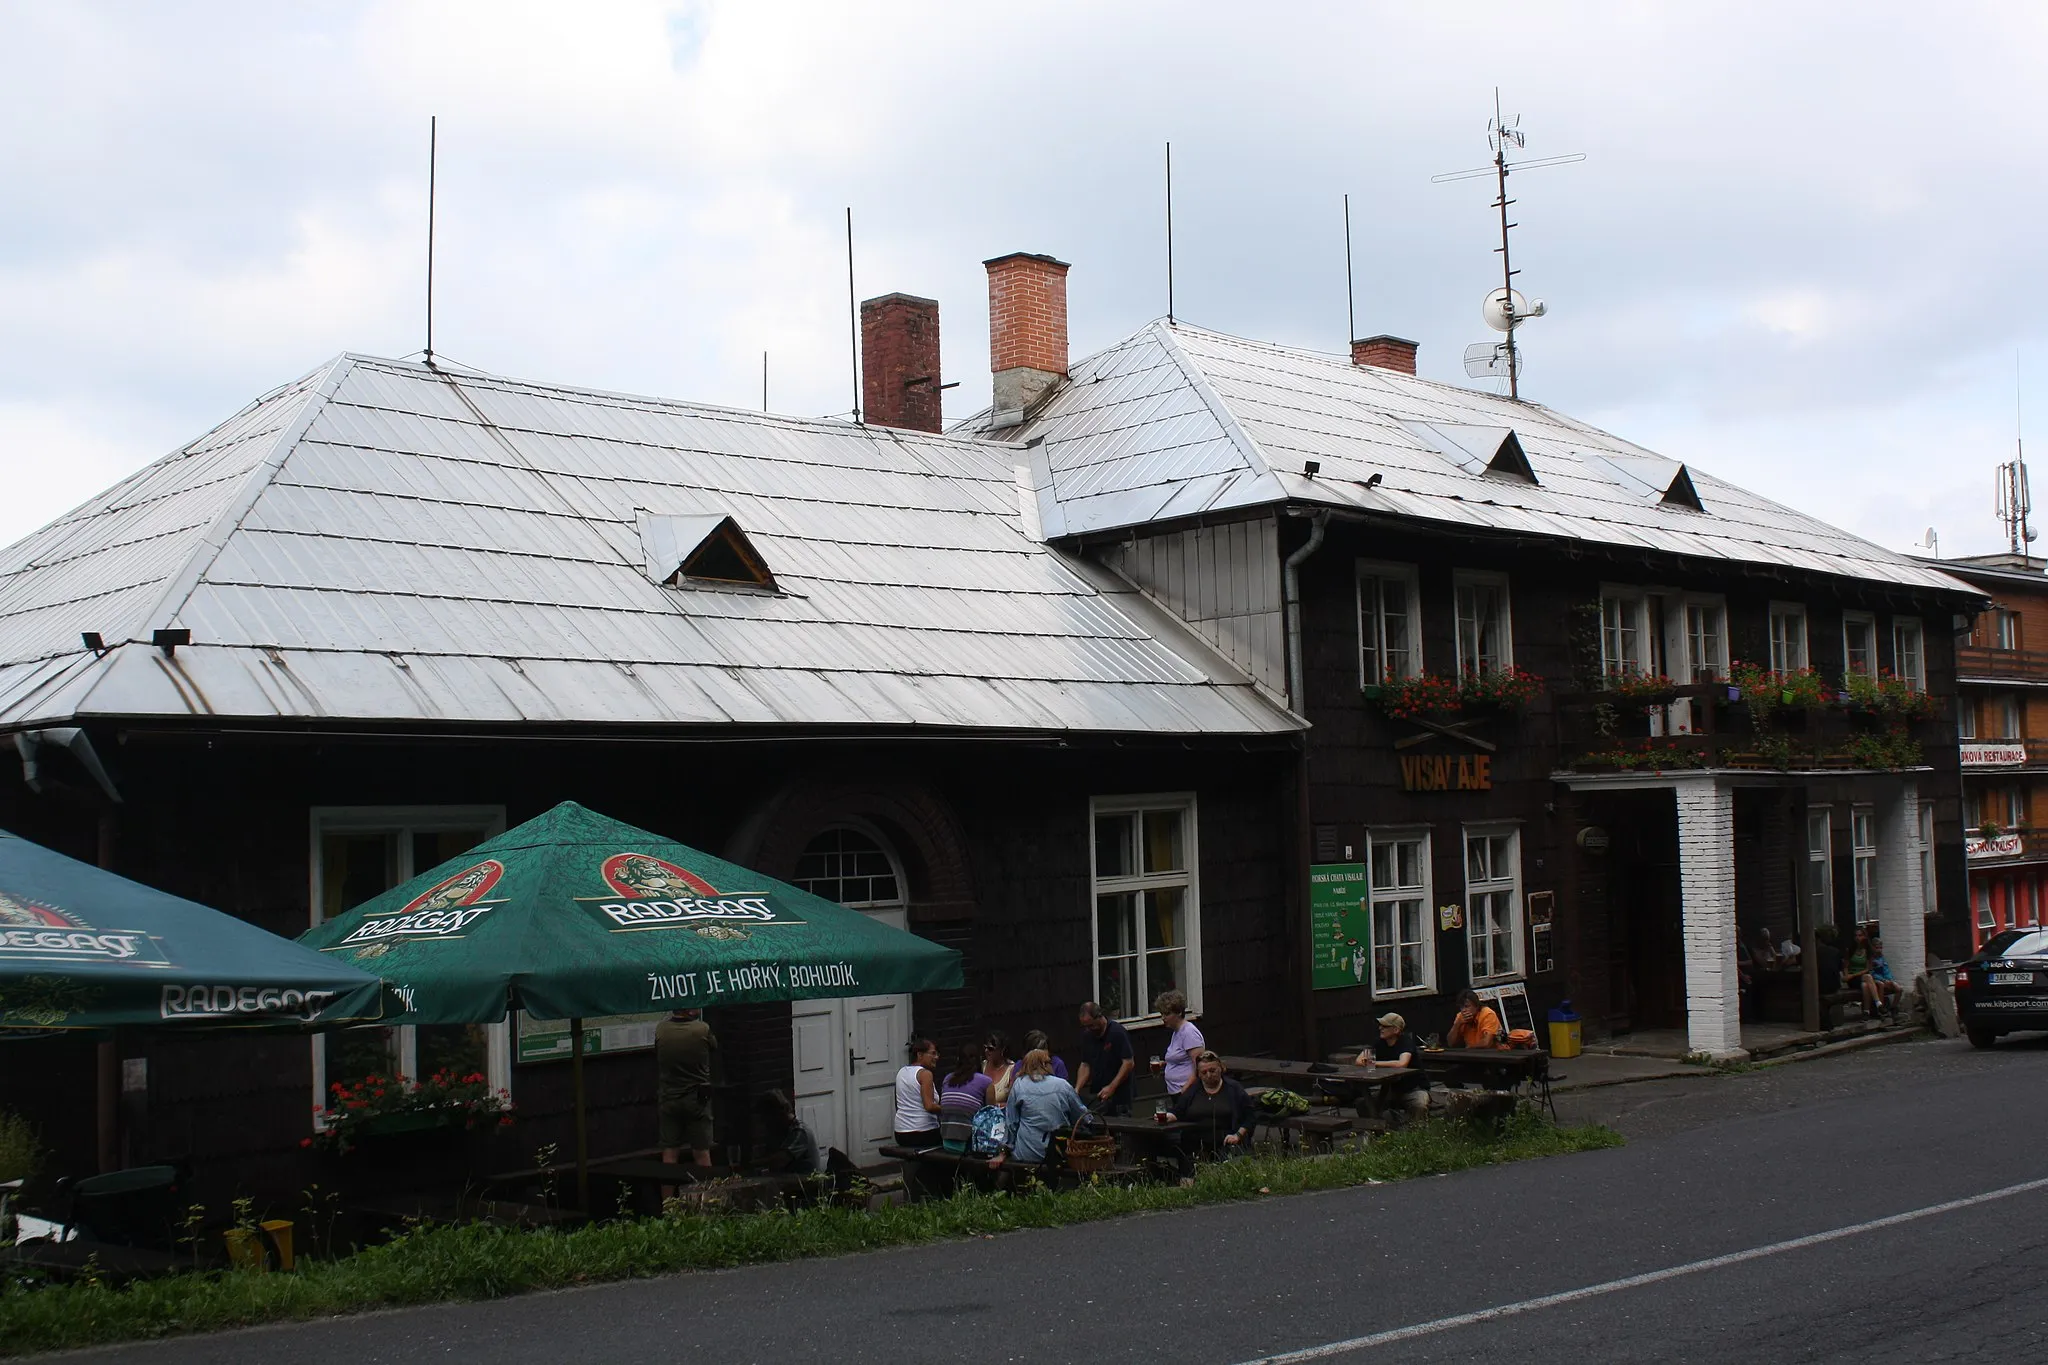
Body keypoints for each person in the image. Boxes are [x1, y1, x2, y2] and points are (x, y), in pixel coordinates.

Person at [987, 1049, 1086, 1179]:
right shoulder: (1063, 1085)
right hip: (1058, 1154)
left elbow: (1011, 1123)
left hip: (1026, 1153)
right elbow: (1081, 1115)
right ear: (1045, 1065)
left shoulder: (1019, 1085)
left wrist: (1003, 1152)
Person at [1164, 1050, 1255, 1181]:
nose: (1208, 1075)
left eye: (1212, 1071)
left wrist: (1238, 1134)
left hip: (1225, 1141)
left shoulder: (1233, 1089)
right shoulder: (1194, 1089)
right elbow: (1178, 1110)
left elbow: (1250, 1116)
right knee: (1176, 1146)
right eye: (1204, 1072)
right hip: (1196, 1142)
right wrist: (1170, 1116)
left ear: (1221, 1069)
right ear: (1198, 1074)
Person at [656, 1007, 718, 1193]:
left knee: (669, 1154)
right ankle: (708, 1204)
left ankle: (668, 1207)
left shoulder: (661, 1029)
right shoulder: (702, 1030)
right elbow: (714, 1047)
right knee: (701, 1154)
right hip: (696, 1101)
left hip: (669, 1099)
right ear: (688, 1010)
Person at [1356, 1012, 1430, 1125]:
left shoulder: (1405, 1042)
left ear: (1396, 1030)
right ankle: (1382, 1132)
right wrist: (1372, 1063)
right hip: (1390, 1090)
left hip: (1414, 1089)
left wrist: (1374, 1063)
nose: (1380, 1028)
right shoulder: (1379, 1042)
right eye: (1380, 1025)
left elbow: (1402, 1064)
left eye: (1385, 1026)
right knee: (1363, 1104)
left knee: (1419, 1105)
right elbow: (1359, 1060)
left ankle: (1416, 1136)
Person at [1075, 1000, 1135, 1115]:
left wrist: (1112, 1087)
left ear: (1100, 1017)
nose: (1089, 1029)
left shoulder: (1117, 1032)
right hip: (1098, 1093)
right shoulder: (1087, 1036)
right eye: (1086, 1026)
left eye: (1091, 1025)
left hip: (1120, 1095)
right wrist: (1077, 1089)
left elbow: (1128, 1063)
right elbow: (1085, 1064)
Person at [939, 1043, 993, 1153]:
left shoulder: (947, 1078)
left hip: (946, 1142)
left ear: (958, 1059)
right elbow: (992, 1114)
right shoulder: (986, 1082)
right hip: (970, 1145)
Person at [754, 1088, 820, 1173]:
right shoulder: (780, 1131)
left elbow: (780, 1160)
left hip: (806, 1183)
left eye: (766, 1117)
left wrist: (751, 1164)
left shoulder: (800, 1132)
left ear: (780, 1112)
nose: (764, 1123)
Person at [893, 1036, 942, 1150]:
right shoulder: (925, 1074)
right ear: (920, 1055)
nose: (937, 1057)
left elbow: (898, 1105)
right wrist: (949, 1109)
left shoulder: (901, 1072)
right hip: (924, 1133)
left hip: (900, 1134)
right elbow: (929, 1106)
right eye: (933, 1053)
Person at [1155, 990, 1205, 1095]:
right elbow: (1181, 1058)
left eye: (1167, 1014)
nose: (1163, 1018)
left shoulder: (1189, 1033)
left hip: (1186, 1092)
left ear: (1178, 1012)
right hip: (1175, 1091)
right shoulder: (1176, 1032)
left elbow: (1200, 1065)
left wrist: (1185, 1090)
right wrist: (1164, 1064)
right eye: (1162, 1014)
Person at [1865, 938, 1904, 1021]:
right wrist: (1882, 979)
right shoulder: (1871, 959)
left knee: (1899, 989)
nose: (1879, 950)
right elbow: (1871, 972)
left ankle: (1893, 1007)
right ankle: (1881, 1010)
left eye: (1880, 948)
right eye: (1877, 948)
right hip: (1876, 979)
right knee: (1881, 985)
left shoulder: (1881, 957)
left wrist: (1890, 980)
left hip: (1886, 979)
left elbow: (1886, 970)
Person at [982, 1031, 1019, 1105]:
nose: (986, 1051)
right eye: (985, 1047)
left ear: (1002, 1050)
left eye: (990, 1049)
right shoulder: (982, 1065)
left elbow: (1013, 1102)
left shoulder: (1012, 1069)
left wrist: (996, 1105)